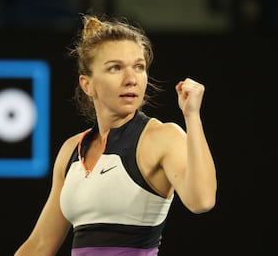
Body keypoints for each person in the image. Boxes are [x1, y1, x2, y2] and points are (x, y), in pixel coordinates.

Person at [14, 14, 217, 256]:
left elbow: (202, 201)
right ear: (87, 84)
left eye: (139, 67)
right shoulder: (71, 151)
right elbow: (40, 245)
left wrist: (192, 117)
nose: (131, 79)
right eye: (115, 68)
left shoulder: (162, 137)